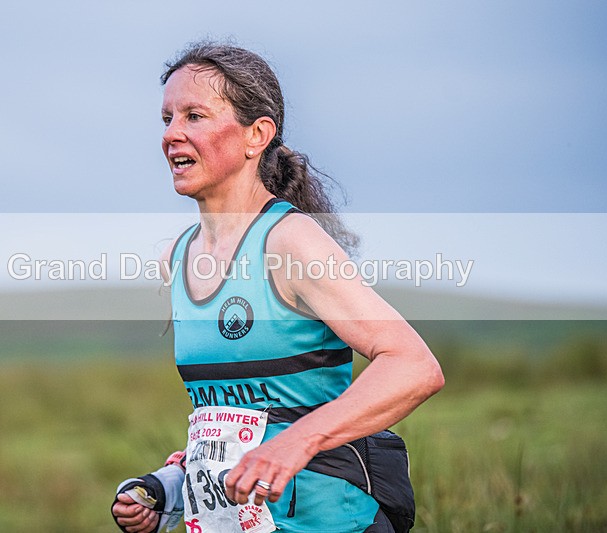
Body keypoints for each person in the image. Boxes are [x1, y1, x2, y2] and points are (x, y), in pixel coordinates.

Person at [111, 41, 444, 533]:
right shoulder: (177, 259)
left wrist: (298, 442)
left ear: (257, 135)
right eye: (167, 118)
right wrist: (176, 486)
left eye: (194, 116)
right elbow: (240, 419)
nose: (172, 134)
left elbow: (414, 366)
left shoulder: (290, 242)